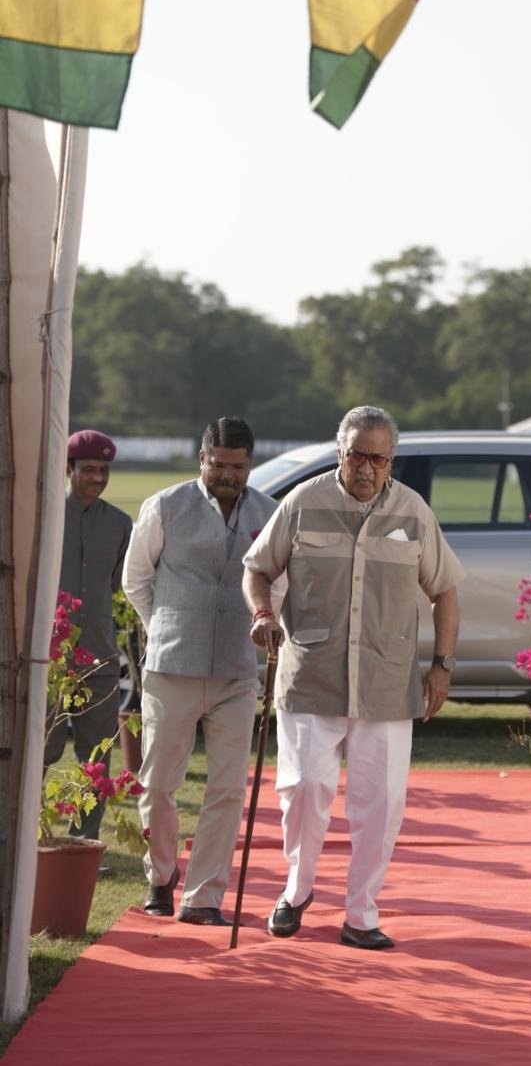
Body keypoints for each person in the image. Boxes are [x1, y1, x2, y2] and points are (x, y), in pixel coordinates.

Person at [243, 404, 463, 951]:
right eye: (357, 455)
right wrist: (263, 613)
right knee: (303, 790)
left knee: (381, 803)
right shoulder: (303, 502)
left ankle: (362, 913)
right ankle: (296, 890)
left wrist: (442, 666)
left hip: (387, 682)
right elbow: (257, 568)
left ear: (392, 459)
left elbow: (445, 591)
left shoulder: (413, 511)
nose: (366, 468)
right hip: (310, 675)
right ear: (339, 451)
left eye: (379, 458)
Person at [122, 416, 277, 926]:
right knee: (158, 783)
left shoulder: (270, 513)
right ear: (202, 459)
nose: (227, 475)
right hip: (171, 667)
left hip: (237, 671)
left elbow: (278, 584)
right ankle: (161, 876)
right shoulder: (164, 505)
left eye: (238, 466)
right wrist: (163, 625)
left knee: (227, 789)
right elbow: (136, 578)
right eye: (218, 465)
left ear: (250, 464)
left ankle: (204, 896)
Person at [44, 429, 133, 840]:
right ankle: (25, 838)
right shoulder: (44, 514)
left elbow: (118, 585)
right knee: (40, 749)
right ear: (68, 469)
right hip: (46, 656)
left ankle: (84, 840)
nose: (98, 478)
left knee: (95, 754)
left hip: (99, 656)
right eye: (89, 469)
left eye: (104, 470)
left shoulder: (120, 524)